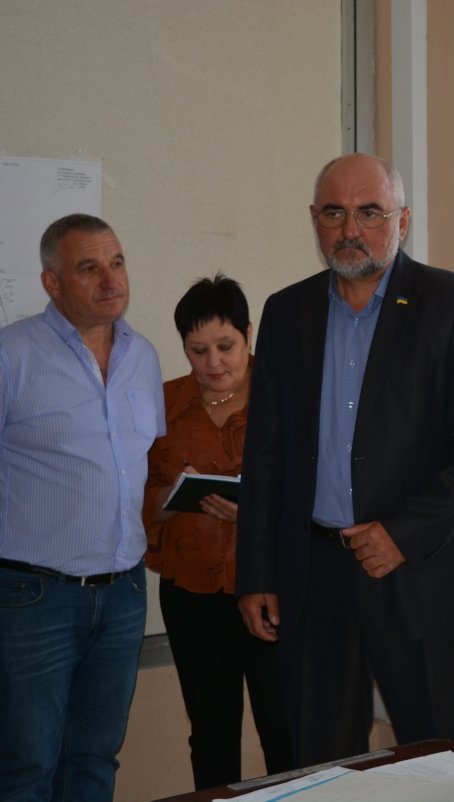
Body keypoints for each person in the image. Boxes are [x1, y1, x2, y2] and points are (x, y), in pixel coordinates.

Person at [236, 153, 454, 766]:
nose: (350, 229)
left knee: (444, 766)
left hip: (421, 573)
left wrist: (402, 535)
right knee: (323, 767)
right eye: (334, 213)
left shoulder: (453, 302)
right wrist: (255, 571)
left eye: (369, 213)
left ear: (402, 221)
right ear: (315, 219)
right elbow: (267, 453)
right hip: (314, 578)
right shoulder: (287, 312)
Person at [0, 213, 165, 801]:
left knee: (95, 759)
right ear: (52, 282)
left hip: (123, 595)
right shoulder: (12, 354)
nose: (111, 280)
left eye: (116, 263)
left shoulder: (143, 356)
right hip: (34, 597)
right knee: (26, 766)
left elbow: (139, 467)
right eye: (89, 268)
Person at [142, 275, 293, 789]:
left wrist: (253, 512)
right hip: (192, 594)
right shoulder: (161, 405)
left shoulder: (285, 399)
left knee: (285, 728)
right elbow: (132, 500)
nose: (213, 363)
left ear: (248, 334)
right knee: (211, 733)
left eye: (226, 346)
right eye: (198, 350)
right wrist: (168, 500)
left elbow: (317, 495)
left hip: (272, 586)